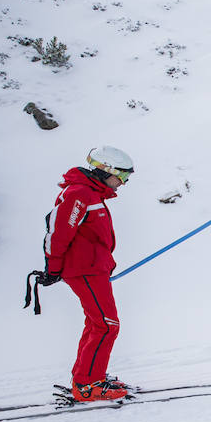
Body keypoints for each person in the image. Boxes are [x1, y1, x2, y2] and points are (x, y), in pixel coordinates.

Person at [38, 146, 135, 402]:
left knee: (97, 323)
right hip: (84, 270)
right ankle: (87, 385)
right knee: (107, 325)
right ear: (106, 171)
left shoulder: (91, 193)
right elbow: (58, 233)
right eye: (122, 177)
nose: (123, 183)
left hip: (93, 269)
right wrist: (53, 267)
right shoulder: (79, 194)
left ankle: (88, 376)